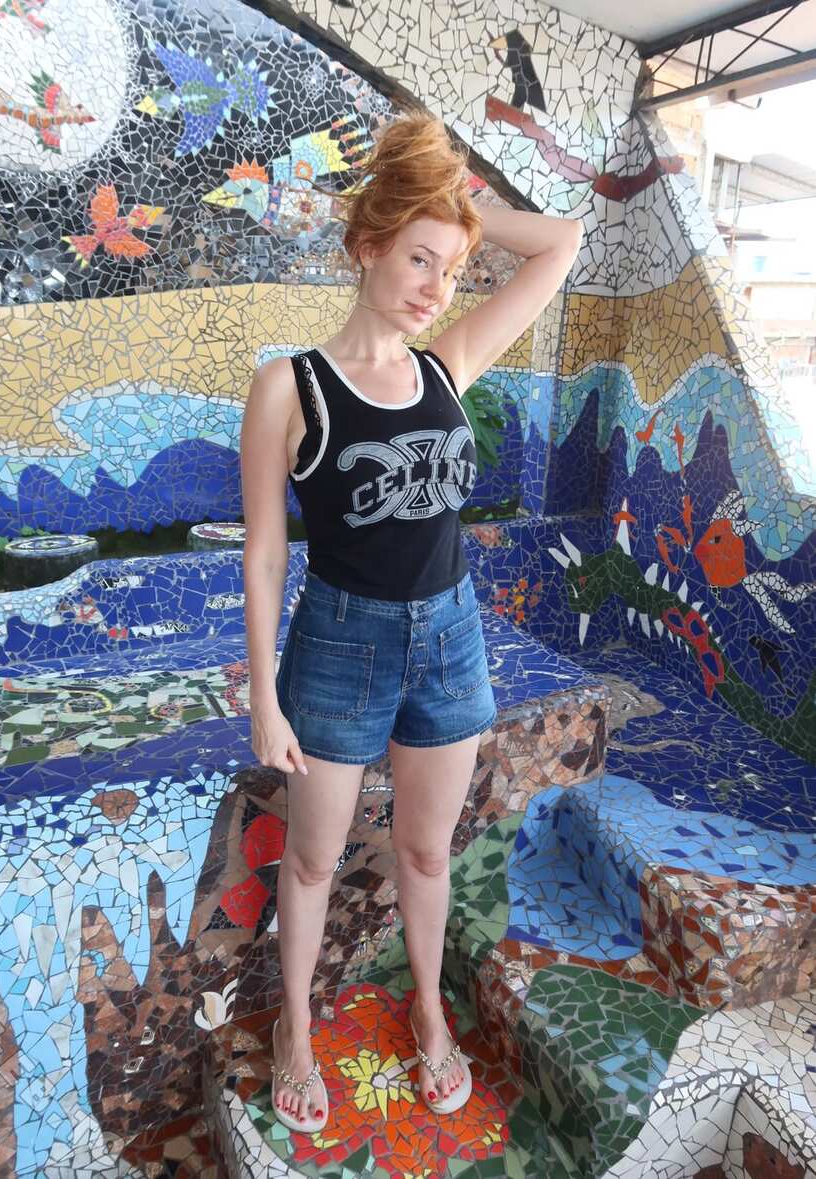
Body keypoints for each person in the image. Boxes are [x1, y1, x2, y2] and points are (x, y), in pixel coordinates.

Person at [240, 113, 582, 1134]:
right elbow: (264, 554)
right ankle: (296, 1027)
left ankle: (428, 1010)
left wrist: (457, 201)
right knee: (313, 860)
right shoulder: (289, 387)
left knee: (427, 854)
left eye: (452, 269)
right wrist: (263, 698)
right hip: (336, 645)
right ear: (366, 247)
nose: (438, 286)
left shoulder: (447, 364)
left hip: (448, 638)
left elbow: (560, 242)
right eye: (419, 258)